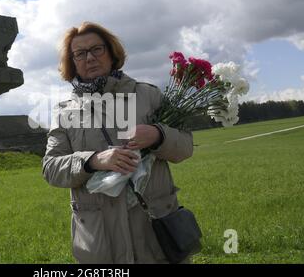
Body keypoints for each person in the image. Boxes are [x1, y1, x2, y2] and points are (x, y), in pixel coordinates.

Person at [42, 22, 194, 264]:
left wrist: (158, 135)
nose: (89, 57)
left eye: (97, 49)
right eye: (80, 53)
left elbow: (186, 146)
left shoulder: (148, 95)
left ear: (112, 53)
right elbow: (51, 169)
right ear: (72, 62)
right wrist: (93, 161)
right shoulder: (64, 112)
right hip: (101, 246)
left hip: (157, 238)